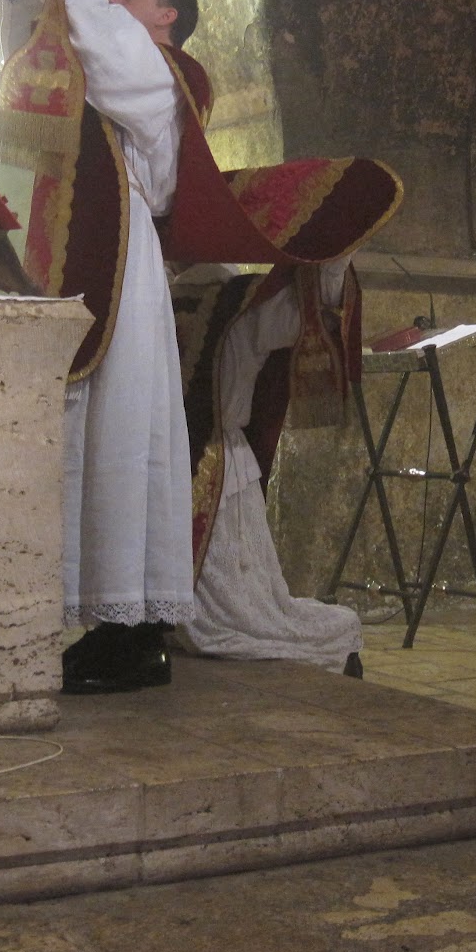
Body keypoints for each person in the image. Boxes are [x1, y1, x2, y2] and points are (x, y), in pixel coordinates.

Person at [0, 0, 202, 693]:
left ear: (166, 17)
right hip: (79, 254)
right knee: (85, 436)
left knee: (120, 438)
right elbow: (34, 63)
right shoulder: (109, 50)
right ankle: (90, 619)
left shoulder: (164, 72)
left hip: (123, 267)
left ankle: (134, 632)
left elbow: (102, 54)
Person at [172, 261, 365, 674]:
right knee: (240, 606)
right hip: (218, 458)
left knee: (225, 606)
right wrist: (330, 255)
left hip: (180, 459)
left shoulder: (161, 294)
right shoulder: (244, 302)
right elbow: (318, 312)